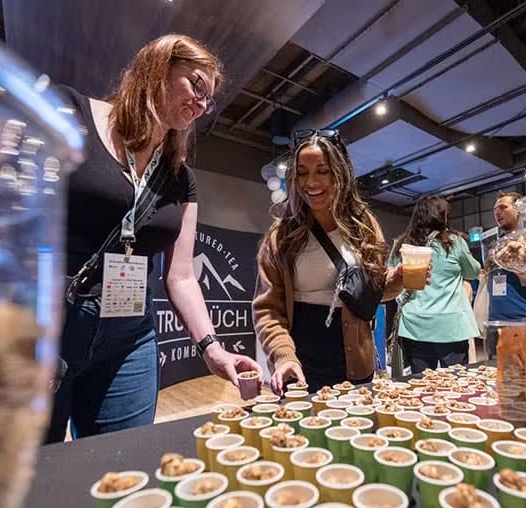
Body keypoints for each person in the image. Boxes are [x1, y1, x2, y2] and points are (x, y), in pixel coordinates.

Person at [46, 35, 262, 442]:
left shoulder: (181, 178)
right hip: (51, 325)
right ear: (158, 66)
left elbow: (180, 276)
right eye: (197, 84)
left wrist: (213, 349)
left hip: (129, 336)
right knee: (34, 469)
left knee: (123, 466)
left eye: (209, 99)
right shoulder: (68, 110)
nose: (201, 103)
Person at [253, 129, 403, 394]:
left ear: (340, 173)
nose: (311, 182)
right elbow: (267, 310)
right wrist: (283, 355)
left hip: (356, 365)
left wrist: (399, 281)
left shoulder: (364, 226)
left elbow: (374, 289)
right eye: (302, 172)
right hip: (300, 368)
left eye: (322, 171)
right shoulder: (281, 237)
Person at [390, 197, 481, 372]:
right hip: (451, 325)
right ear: (442, 217)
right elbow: (473, 272)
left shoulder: (402, 244)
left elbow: (390, 279)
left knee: (420, 383)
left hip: (414, 325)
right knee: (456, 382)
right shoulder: (454, 243)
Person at [486, 191, 526, 358]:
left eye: (503, 207)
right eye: (494, 210)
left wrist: (510, 261)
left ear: (519, 210)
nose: (497, 213)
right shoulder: (496, 245)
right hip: (496, 322)